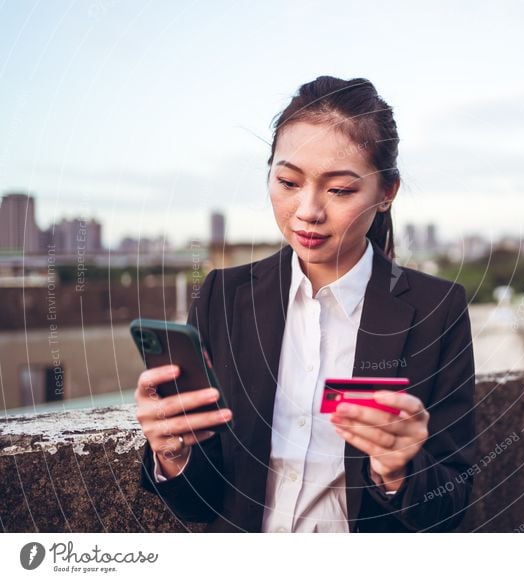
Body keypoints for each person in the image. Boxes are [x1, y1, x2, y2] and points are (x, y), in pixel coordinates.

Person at [135, 76, 477, 533]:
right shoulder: (224, 295)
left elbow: (452, 503)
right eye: (288, 181)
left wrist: (396, 472)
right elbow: (203, 502)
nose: (307, 211)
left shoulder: (438, 310)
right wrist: (173, 454)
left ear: (386, 193)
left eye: (339, 190)